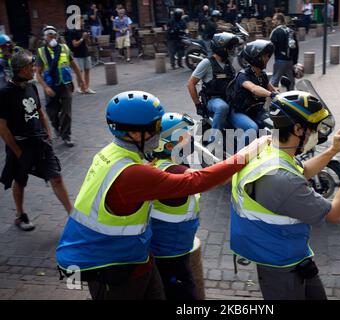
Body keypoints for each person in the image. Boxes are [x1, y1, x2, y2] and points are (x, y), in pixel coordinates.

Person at [55, 90, 269, 300]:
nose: (159, 133)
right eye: (156, 127)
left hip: (138, 258)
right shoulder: (133, 173)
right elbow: (198, 181)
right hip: (111, 267)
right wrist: (247, 153)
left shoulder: (111, 153)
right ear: (135, 133)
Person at [230, 91, 340, 300]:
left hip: (288, 255)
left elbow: (300, 171)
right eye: (314, 129)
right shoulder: (283, 180)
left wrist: (332, 150)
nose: (316, 134)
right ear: (297, 129)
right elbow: (335, 215)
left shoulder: (268, 149)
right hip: (281, 268)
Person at [0, 50, 73, 231]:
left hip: (40, 142)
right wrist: (17, 151)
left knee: (56, 176)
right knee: (20, 180)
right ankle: (20, 214)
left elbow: (39, 112)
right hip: (20, 144)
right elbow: (2, 127)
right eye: (30, 66)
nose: (34, 69)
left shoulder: (31, 86)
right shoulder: (5, 93)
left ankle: (73, 217)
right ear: (21, 69)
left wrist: (47, 131)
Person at [150, 112, 200, 300]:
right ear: (170, 146)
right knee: (183, 295)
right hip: (171, 252)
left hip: (167, 246)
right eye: (186, 138)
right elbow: (211, 177)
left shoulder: (156, 164)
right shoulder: (178, 173)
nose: (191, 141)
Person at [36, 25, 85, 148]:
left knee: (66, 112)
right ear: (44, 38)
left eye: (53, 34)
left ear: (57, 36)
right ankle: (56, 126)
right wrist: (46, 87)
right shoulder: (41, 52)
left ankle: (66, 136)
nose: (51, 37)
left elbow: (73, 65)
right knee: (52, 112)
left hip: (66, 85)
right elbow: (37, 73)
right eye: (49, 35)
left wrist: (81, 79)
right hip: (50, 86)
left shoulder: (64, 48)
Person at [187, 32, 240, 143]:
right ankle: (213, 140)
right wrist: (198, 104)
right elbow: (191, 84)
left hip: (229, 99)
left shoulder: (228, 63)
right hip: (213, 100)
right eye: (229, 47)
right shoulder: (207, 63)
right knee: (222, 107)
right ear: (221, 47)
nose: (231, 50)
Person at [227, 40, 278, 141]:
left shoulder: (262, 75)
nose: (267, 59)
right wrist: (270, 94)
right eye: (265, 56)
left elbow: (273, 90)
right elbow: (254, 88)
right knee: (252, 128)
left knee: (276, 125)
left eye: (268, 56)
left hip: (256, 111)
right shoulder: (243, 75)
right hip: (239, 112)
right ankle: (239, 155)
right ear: (255, 58)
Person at [66, 17, 96, 94]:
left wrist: (87, 38)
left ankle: (87, 87)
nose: (83, 23)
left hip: (86, 53)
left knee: (87, 70)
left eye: (83, 21)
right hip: (78, 54)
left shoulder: (85, 30)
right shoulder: (73, 32)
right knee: (79, 71)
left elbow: (89, 43)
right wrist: (82, 38)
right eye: (81, 21)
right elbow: (74, 44)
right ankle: (80, 87)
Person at [270, 13, 298, 90]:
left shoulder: (275, 32)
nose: (272, 21)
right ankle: (291, 96)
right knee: (291, 81)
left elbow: (271, 47)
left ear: (279, 21)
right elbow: (296, 48)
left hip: (280, 61)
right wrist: (294, 62)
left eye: (274, 19)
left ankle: (270, 99)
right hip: (290, 61)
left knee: (274, 81)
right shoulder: (291, 31)